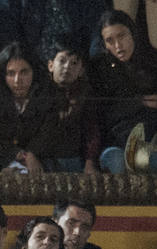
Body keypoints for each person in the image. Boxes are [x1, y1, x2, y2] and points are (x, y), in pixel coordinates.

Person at [88, 8, 157, 174]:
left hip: (153, 142)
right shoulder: (99, 70)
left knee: (147, 162)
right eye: (110, 40)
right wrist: (139, 103)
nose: (118, 46)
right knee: (116, 161)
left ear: (133, 33)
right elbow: (101, 113)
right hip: (116, 143)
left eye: (122, 36)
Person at [0, 41, 61, 174]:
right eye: (10, 73)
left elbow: (48, 133)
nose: (17, 80)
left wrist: (31, 154)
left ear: (34, 72)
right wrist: (15, 155)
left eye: (24, 72)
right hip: (1, 155)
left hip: (38, 155)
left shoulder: (48, 92)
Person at [44, 36, 98, 175]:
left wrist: (89, 163)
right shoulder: (40, 91)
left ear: (81, 71)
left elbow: (91, 131)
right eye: (62, 61)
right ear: (50, 65)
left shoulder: (85, 93)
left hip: (73, 158)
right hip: (44, 158)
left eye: (74, 63)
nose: (67, 67)